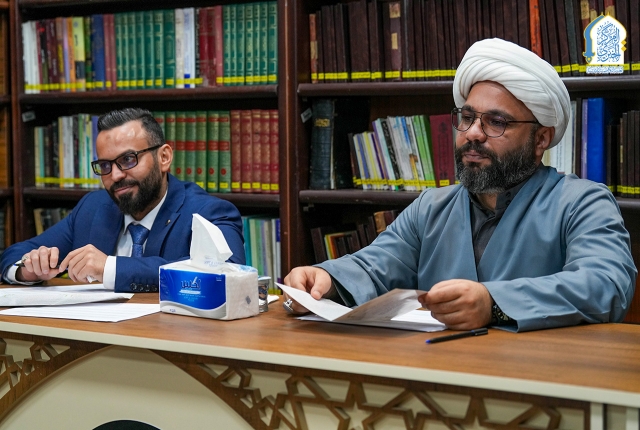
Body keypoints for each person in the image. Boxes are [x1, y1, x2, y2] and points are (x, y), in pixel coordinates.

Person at [283, 38, 637, 332]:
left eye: (496, 122)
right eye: (467, 118)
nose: (472, 133)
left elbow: (606, 284)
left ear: (541, 139)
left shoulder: (582, 203)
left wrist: (493, 303)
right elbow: (374, 267)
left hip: (540, 382)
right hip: (438, 377)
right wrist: (325, 279)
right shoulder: (431, 207)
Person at [0, 108, 245, 292]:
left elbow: (228, 272)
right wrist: (29, 269)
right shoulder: (93, 208)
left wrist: (110, 268)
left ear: (164, 157)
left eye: (128, 159)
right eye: (105, 165)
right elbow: (13, 254)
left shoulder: (208, 212)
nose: (115, 175)